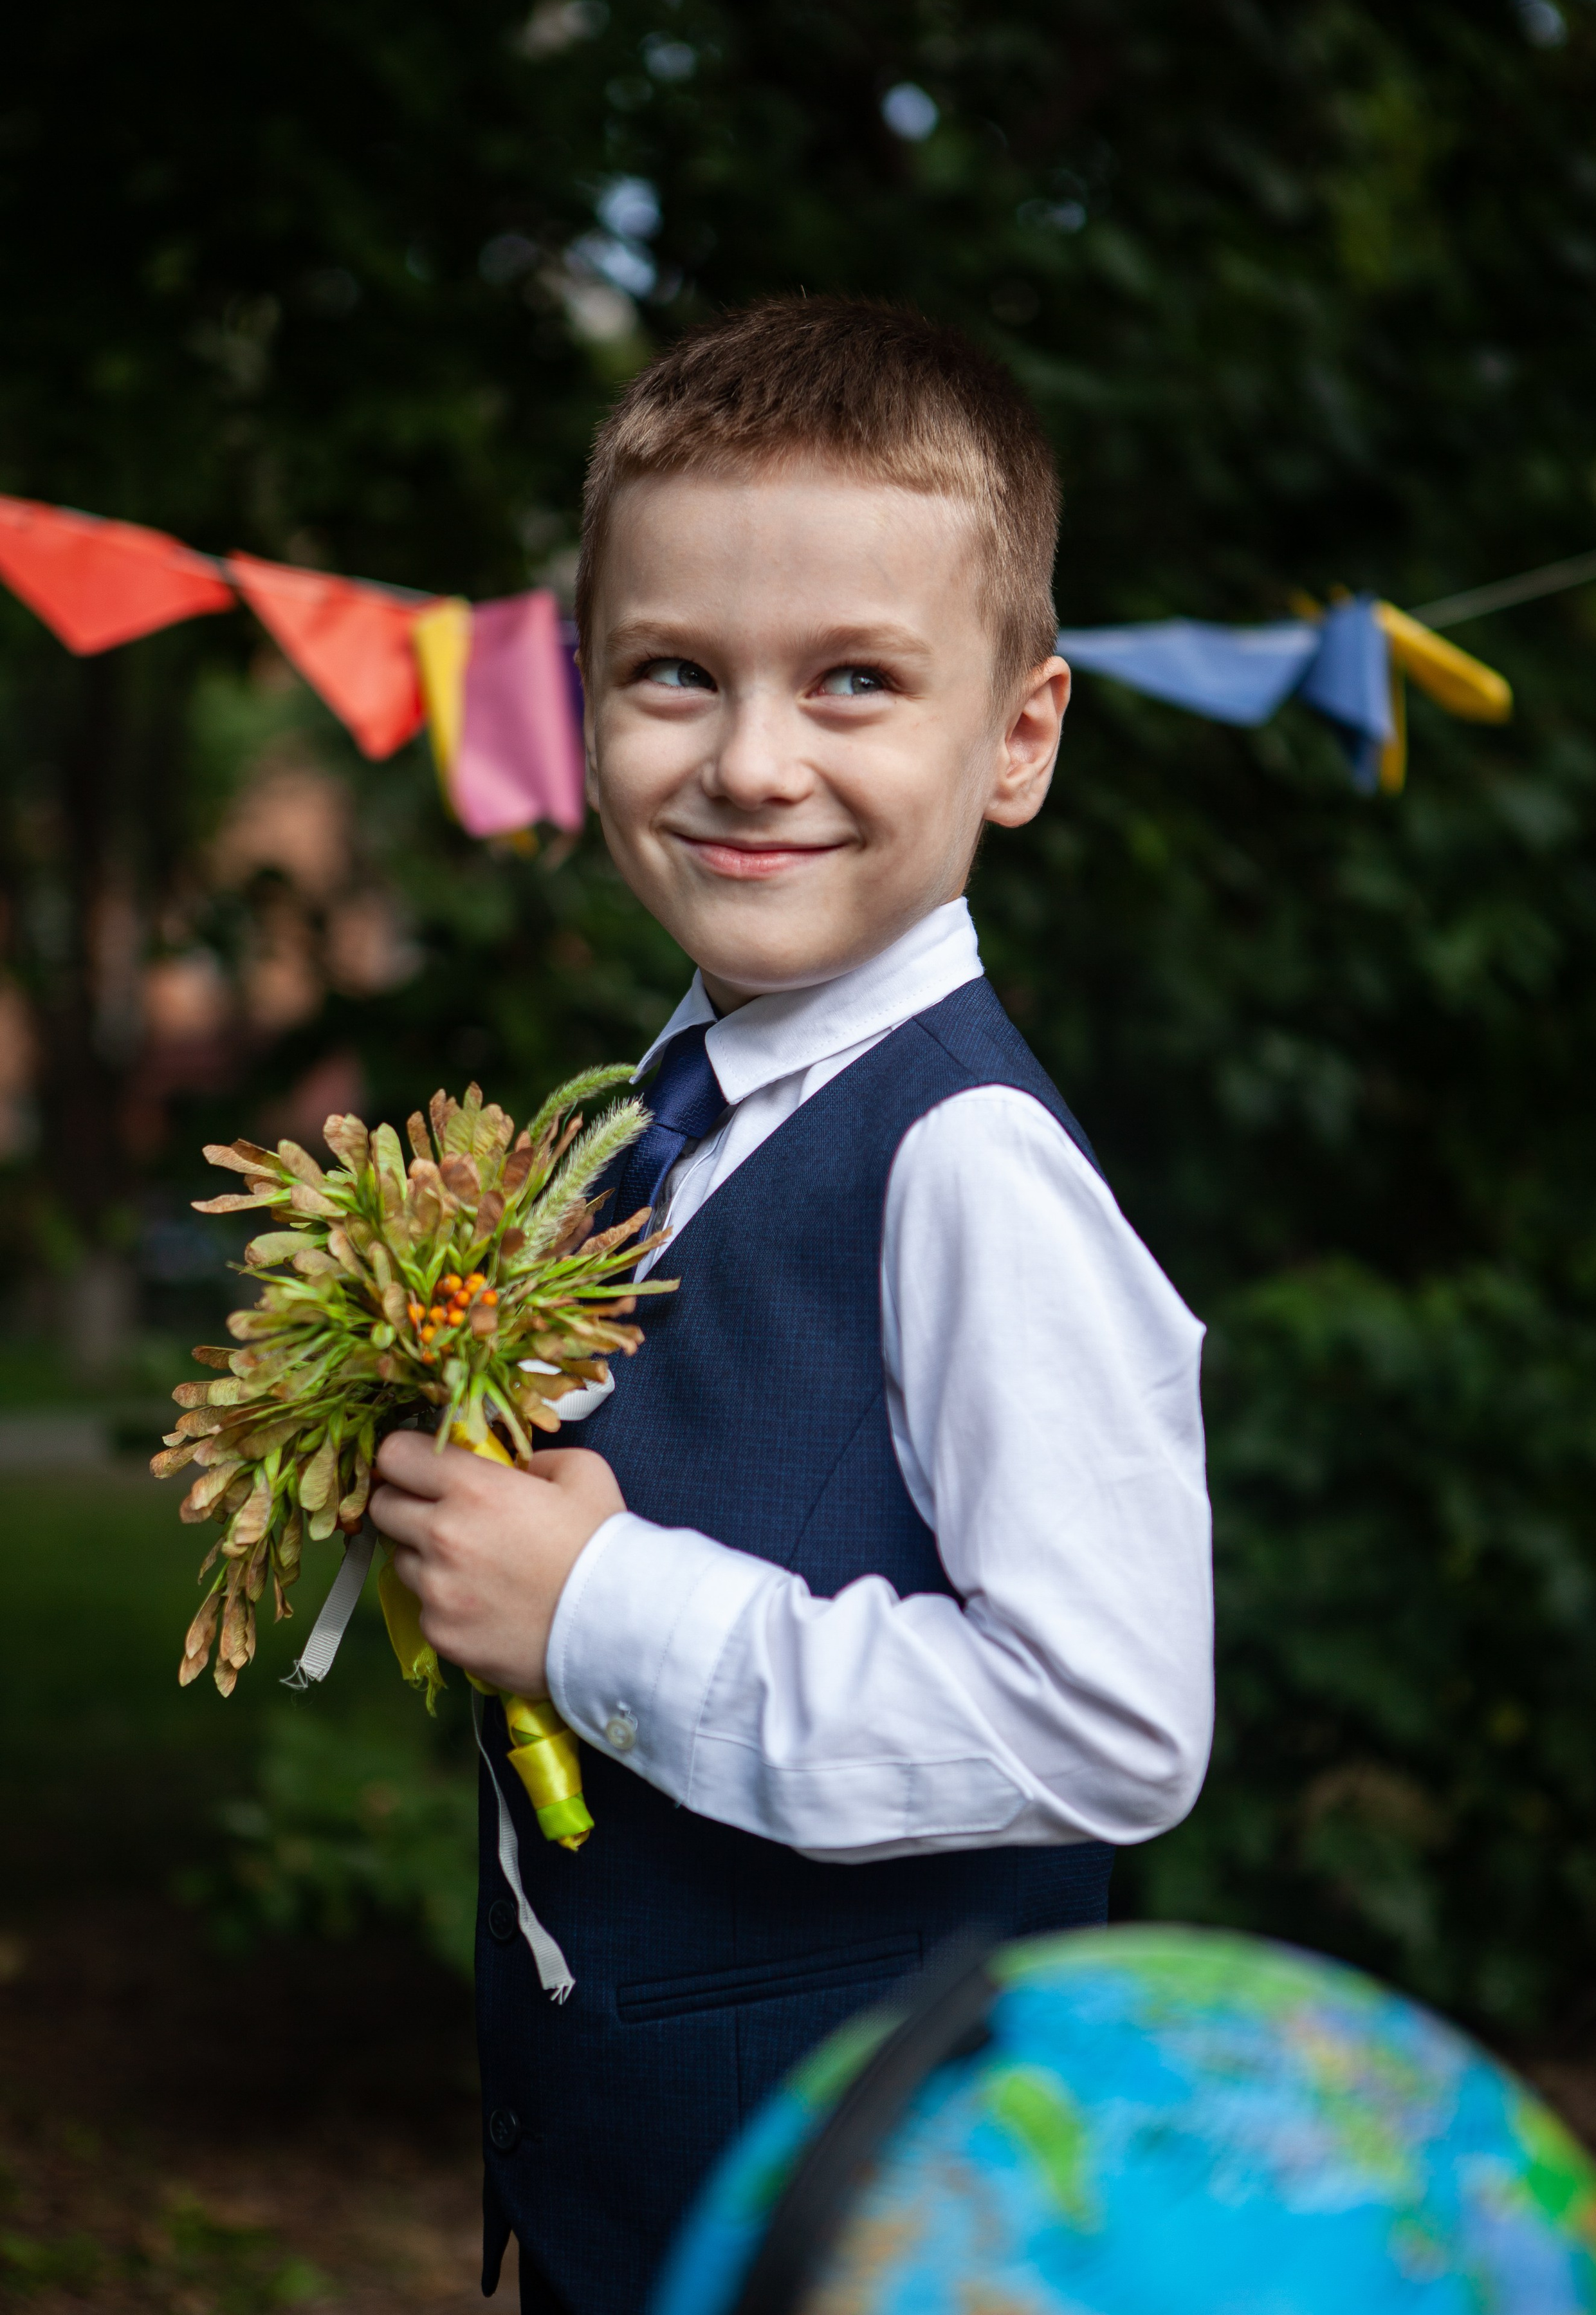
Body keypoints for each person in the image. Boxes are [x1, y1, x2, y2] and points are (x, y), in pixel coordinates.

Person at [369, 297, 1215, 2315]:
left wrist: (602, 1611)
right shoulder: (653, 1116)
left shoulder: (972, 1170)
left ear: (1017, 736)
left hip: (869, 2222)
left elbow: (1112, 1724)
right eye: (677, 674)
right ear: (582, 699)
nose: (753, 760)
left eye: (854, 681)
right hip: (647, 2198)